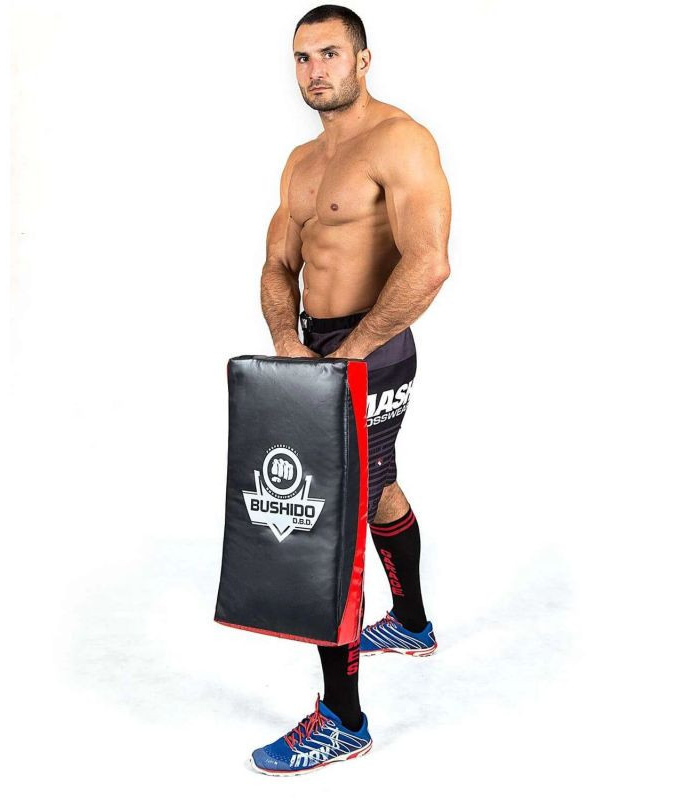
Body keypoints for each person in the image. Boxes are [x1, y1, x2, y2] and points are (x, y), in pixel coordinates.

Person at [249, 4, 452, 775]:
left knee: (324, 527)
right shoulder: (301, 162)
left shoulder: (400, 141)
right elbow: (278, 265)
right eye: (302, 58)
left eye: (330, 54)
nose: (315, 71)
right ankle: (412, 623)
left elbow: (428, 262)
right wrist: (287, 340)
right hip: (317, 349)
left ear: (363, 60)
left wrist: (356, 354)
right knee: (376, 484)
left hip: (375, 348)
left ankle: (342, 719)